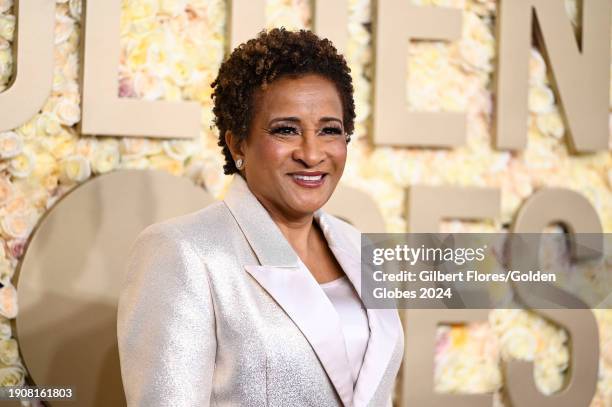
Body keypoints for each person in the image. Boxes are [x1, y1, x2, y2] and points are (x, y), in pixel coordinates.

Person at [117, 27, 404, 406]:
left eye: (329, 130)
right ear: (238, 143)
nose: (312, 153)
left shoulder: (358, 247)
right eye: (286, 130)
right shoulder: (182, 252)